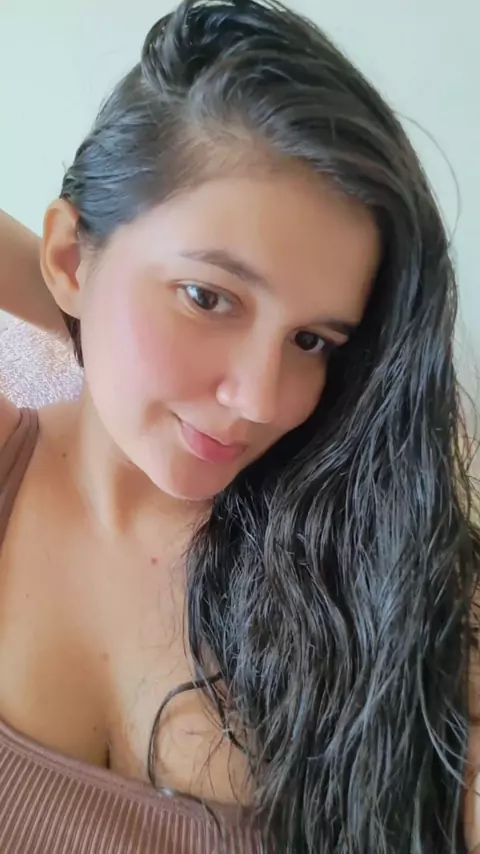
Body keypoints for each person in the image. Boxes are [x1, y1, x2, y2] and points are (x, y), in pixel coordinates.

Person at [1, 0, 479, 851]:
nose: (262, 400)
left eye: (312, 340)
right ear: (68, 256)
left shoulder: (376, 562)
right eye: (208, 296)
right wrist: (83, 304)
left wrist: (121, 304)